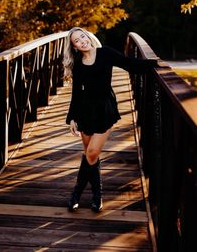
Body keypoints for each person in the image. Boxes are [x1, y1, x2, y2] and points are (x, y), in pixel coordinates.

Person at [63, 27, 158, 213]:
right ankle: (93, 196)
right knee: (91, 155)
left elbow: (130, 64)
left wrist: (154, 64)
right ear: (74, 47)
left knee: (91, 152)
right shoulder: (78, 64)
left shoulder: (105, 53)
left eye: (83, 36)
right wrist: (72, 118)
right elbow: (76, 93)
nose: (82, 40)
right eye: (77, 40)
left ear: (88, 36)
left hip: (105, 109)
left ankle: (80, 193)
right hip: (85, 112)